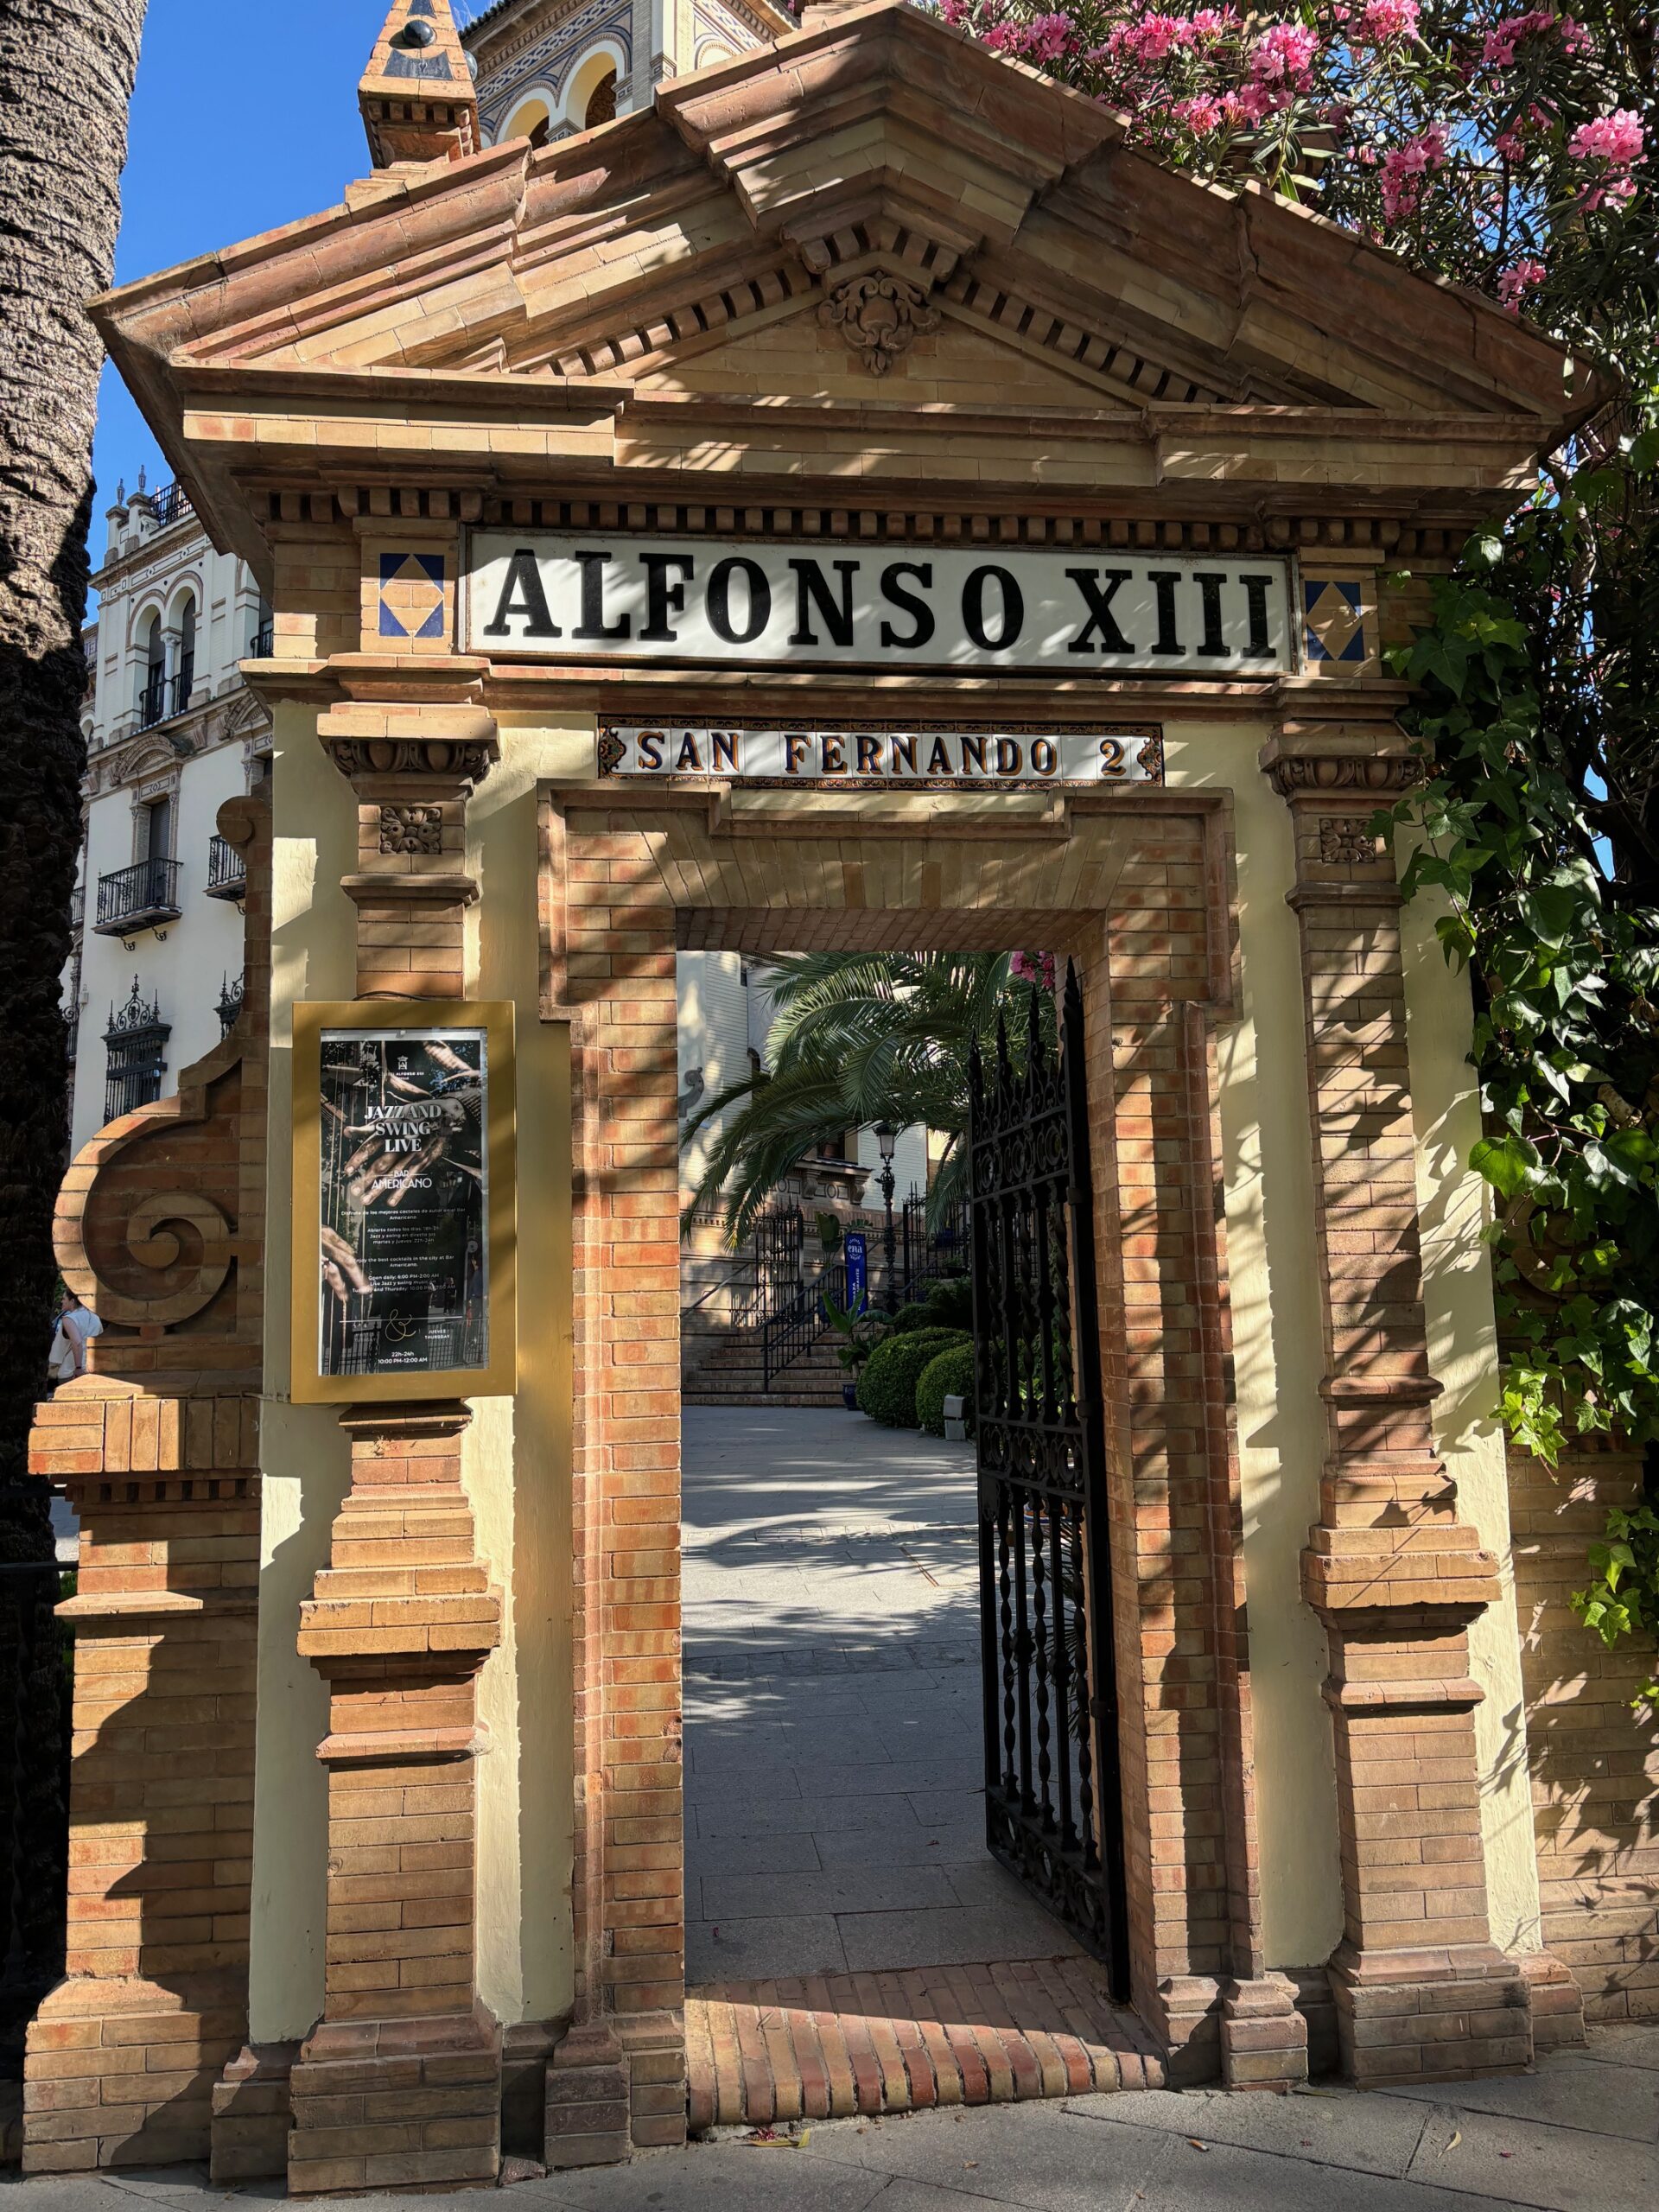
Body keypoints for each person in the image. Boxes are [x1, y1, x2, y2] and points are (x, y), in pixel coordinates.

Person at [51, 1289, 103, 1386]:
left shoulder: (69, 1319)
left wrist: (78, 1368)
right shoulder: (96, 1318)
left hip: (71, 1371)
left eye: (64, 1299)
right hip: (92, 1368)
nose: (62, 1301)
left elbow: (77, 1342)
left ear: (72, 1301)